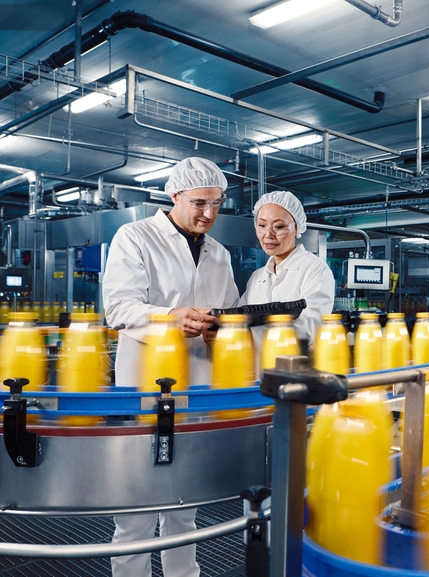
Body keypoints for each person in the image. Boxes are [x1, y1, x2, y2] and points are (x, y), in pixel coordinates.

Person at [102, 157, 239, 577]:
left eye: (217, 203)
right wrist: (170, 318)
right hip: (143, 388)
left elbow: (229, 311)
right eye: (200, 202)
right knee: (136, 509)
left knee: (184, 505)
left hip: (196, 390)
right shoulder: (136, 236)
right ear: (175, 195)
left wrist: (222, 332)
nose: (209, 213)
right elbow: (118, 308)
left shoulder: (219, 254)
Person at [237, 190, 335, 354]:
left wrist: (247, 336)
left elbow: (309, 325)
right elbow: (240, 317)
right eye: (261, 225)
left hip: (295, 369)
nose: (268, 235)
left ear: (297, 229)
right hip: (255, 370)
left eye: (279, 227)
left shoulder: (315, 269)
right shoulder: (257, 277)